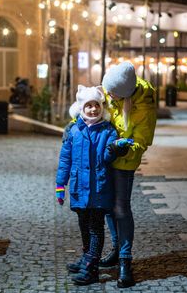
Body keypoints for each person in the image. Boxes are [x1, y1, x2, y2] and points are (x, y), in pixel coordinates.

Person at [55, 85, 132, 286]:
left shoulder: (108, 130)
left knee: (96, 228)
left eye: (96, 106)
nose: (92, 110)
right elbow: (65, 159)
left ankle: (91, 268)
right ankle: (87, 257)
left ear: (101, 107)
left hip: (99, 189)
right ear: (81, 108)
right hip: (80, 188)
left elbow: (106, 157)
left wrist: (116, 148)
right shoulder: (74, 130)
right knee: (83, 225)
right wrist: (60, 185)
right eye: (88, 106)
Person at [100, 62, 157, 288]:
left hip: (124, 162)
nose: (108, 95)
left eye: (112, 93)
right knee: (107, 206)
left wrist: (124, 148)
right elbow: (90, 106)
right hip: (105, 157)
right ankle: (115, 248)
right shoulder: (112, 87)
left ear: (123, 95)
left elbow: (142, 141)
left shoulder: (144, 106)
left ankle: (125, 260)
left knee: (121, 208)